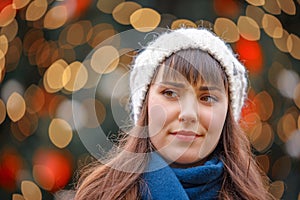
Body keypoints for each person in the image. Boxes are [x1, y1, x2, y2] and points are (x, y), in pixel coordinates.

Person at [75, 28, 275, 199]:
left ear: (227, 115)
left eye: (207, 98)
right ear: (145, 105)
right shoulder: (102, 194)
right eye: (170, 93)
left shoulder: (250, 195)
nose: (188, 114)